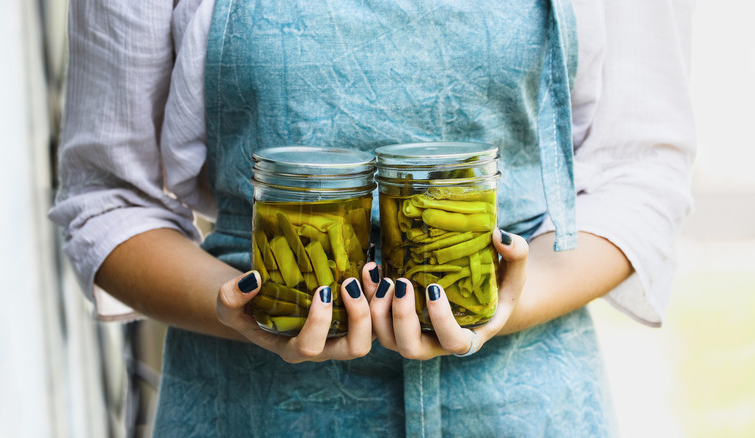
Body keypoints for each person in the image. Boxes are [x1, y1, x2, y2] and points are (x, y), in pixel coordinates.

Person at [49, 0, 695, 436]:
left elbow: (638, 172)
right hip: (250, 401)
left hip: (524, 398)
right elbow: (107, 199)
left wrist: (513, 302)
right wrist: (239, 309)